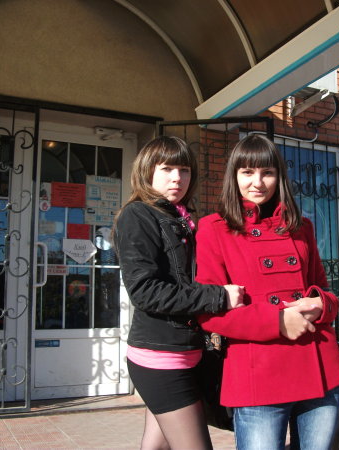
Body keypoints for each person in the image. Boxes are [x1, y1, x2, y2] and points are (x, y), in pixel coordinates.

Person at [196, 134, 339, 450]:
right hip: (257, 374)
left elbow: (325, 290)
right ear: (234, 176)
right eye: (247, 172)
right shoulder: (214, 228)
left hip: (319, 365)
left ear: (279, 177)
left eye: (267, 172)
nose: (258, 182)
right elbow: (209, 312)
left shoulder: (301, 226)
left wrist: (322, 305)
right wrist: (277, 321)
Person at [113, 135, 244, 450]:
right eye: (167, 169)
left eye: (184, 170)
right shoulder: (138, 215)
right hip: (161, 357)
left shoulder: (178, 216)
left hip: (184, 351)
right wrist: (218, 297)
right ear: (147, 171)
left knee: (156, 445)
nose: (177, 178)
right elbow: (145, 291)